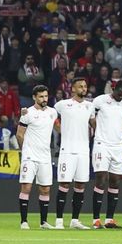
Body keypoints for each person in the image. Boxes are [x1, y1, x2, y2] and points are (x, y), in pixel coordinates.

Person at [52, 77, 95, 230]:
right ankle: (59, 220)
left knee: (81, 184)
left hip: (84, 150)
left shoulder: (90, 106)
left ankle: (75, 220)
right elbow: (50, 116)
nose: (84, 88)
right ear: (73, 89)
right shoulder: (63, 104)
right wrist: (59, 129)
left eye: (85, 86)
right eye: (80, 86)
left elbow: (93, 123)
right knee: (64, 184)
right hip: (67, 150)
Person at [89, 84, 122, 230]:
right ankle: (95, 220)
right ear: (113, 89)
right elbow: (90, 116)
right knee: (101, 178)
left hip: (118, 145)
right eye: (119, 92)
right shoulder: (100, 100)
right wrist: (98, 129)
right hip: (102, 144)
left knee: (115, 181)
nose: (121, 96)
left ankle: (109, 219)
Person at [16, 85, 57, 228]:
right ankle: (24, 221)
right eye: (41, 96)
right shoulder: (27, 113)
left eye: (46, 96)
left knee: (45, 189)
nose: (44, 99)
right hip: (30, 157)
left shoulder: (53, 112)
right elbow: (19, 134)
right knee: (26, 187)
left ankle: (43, 222)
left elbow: (57, 127)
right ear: (34, 97)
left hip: (45, 157)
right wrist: (25, 151)